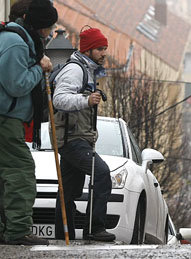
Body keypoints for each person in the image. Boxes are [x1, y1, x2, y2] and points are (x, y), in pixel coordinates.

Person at [0, 0, 57, 245]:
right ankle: (17, 231)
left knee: (6, 175)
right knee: (20, 172)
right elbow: (17, 84)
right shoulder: (15, 42)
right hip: (5, 119)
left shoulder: (21, 39)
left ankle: (7, 229)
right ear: (35, 23)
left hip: (8, 118)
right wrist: (39, 68)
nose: (50, 32)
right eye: (47, 27)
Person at [52, 26, 115, 242]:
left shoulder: (88, 69)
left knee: (68, 190)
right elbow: (58, 99)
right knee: (102, 173)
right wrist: (86, 100)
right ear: (87, 50)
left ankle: (62, 235)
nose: (104, 53)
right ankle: (95, 228)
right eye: (99, 48)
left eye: (105, 48)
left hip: (77, 137)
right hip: (72, 139)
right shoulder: (75, 70)